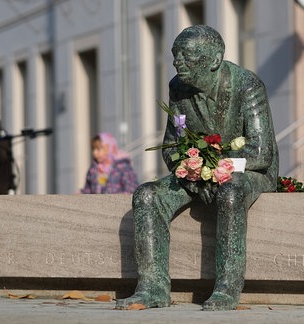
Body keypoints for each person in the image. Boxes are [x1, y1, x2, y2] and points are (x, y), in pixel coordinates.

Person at [116, 25, 279, 311]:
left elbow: (261, 152)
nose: (178, 62)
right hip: (197, 173)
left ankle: (227, 288)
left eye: (188, 56)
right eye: (175, 55)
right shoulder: (177, 87)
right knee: (147, 196)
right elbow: (172, 144)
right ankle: (153, 288)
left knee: (230, 192)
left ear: (214, 59)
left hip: (250, 172)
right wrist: (189, 170)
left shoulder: (247, 85)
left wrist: (219, 168)